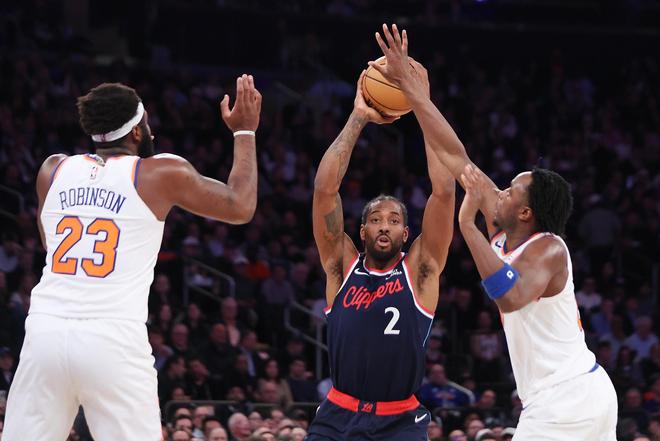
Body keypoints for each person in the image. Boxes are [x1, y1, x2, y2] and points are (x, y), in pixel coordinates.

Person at [369, 23, 618, 440]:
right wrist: (417, 95)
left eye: (509, 191)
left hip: (567, 400)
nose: (498, 192)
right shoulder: (505, 229)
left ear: (526, 212)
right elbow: (453, 155)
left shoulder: (550, 250)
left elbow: (511, 295)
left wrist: (468, 227)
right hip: (566, 397)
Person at [2, 76, 261, 441]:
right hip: (112, 336)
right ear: (137, 131)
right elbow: (240, 205)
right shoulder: (159, 172)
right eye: (147, 123)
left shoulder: (53, 169)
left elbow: (52, 242)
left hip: (45, 332)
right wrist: (245, 132)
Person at [305, 65, 455, 438]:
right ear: (362, 231)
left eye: (393, 220)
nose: (384, 225)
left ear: (406, 233)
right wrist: (358, 116)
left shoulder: (421, 270)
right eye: (375, 219)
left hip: (399, 420)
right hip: (337, 414)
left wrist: (422, 102)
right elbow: (324, 190)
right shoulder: (340, 265)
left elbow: (444, 191)